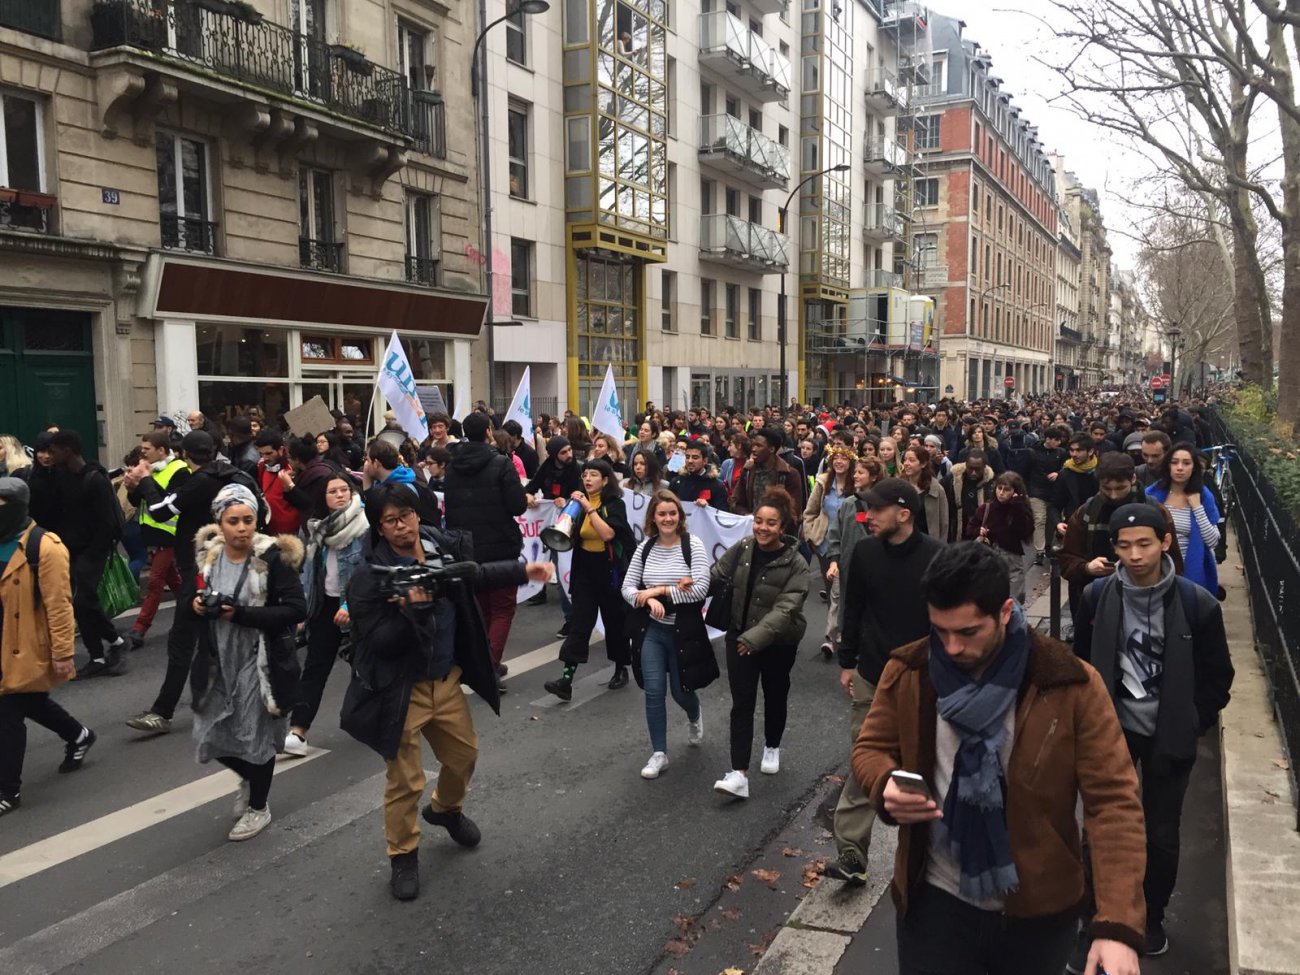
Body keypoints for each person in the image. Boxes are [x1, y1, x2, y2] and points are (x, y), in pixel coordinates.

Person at [851, 542, 1147, 975]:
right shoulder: (910, 670)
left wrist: (1116, 923)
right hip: (935, 903)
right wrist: (884, 783)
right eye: (940, 630)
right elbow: (870, 747)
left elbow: (1114, 803)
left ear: (1005, 612)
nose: (950, 647)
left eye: (969, 632)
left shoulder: (1070, 683)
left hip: (1039, 911)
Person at [342, 483, 550, 900]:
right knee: (405, 781)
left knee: (463, 756)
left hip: (446, 679)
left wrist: (523, 570)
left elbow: (474, 573)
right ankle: (403, 856)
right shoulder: (370, 575)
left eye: (407, 516)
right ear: (379, 528)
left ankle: (445, 811)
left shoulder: (441, 548)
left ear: (419, 515)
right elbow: (378, 643)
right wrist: (410, 614)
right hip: (400, 689)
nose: (402, 527)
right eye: (391, 521)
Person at [1074, 503, 1234, 957]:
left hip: (1169, 735)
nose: (1135, 555)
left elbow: (1216, 677)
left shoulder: (1195, 603)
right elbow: (1083, 665)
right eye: (1124, 546)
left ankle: (1151, 915)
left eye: (1144, 543)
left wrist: (1191, 719)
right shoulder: (1097, 597)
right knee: (1100, 828)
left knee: (1160, 833)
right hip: (1112, 732)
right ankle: (1098, 917)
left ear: (1165, 541)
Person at [827, 477, 943, 885]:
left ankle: (926, 852)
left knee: (926, 761)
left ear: (904, 513)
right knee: (865, 757)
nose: (867, 516)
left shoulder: (936, 557)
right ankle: (852, 850)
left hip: (926, 678)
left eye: (876, 509)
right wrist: (848, 661)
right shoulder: (864, 552)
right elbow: (853, 608)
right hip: (873, 673)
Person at [125, 430, 264, 736]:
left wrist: (146, 480)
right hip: (228, 565)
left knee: (184, 640)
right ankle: (236, 700)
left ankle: (164, 711)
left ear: (185, 454)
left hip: (201, 568)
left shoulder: (201, 481)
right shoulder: (231, 475)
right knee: (214, 640)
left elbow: (161, 512)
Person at [190, 484, 306, 842]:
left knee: (256, 736)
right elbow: (191, 595)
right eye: (233, 521)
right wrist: (195, 605)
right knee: (206, 732)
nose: (241, 528)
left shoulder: (272, 557)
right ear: (219, 523)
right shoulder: (209, 555)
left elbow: (295, 610)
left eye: (248, 520)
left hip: (262, 658)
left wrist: (239, 614)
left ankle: (259, 806)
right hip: (219, 656)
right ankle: (251, 778)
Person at [0, 478, 97, 816]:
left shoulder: (45, 547)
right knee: (30, 701)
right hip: (1, 641)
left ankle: (8, 790)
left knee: (7, 713)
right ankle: (79, 734)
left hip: (25, 642)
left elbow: (59, 605)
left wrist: (63, 653)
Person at [708, 486, 810, 799]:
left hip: (777, 643)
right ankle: (739, 773)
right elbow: (716, 575)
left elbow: (786, 608)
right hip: (740, 638)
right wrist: (689, 583)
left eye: (771, 523)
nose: (763, 528)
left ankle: (772, 745)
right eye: (759, 521)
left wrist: (755, 638)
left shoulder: (797, 564)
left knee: (775, 694)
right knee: (742, 704)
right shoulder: (742, 548)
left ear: (783, 527)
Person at [622, 490, 710, 779]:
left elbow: (700, 589)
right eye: (662, 514)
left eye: (672, 513)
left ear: (680, 517)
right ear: (653, 518)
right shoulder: (645, 548)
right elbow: (627, 588)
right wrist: (647, 600)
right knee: (654, 691)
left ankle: (694, 714)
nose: (668, 518)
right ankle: (659, 753)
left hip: (683, 633)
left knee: (681, 692)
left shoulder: (692, 545)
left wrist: (659, 591)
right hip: (652, 631)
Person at [282, 474, 367, 757]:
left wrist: (350, 604)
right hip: (325, 607)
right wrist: (304, 611)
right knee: (315, 668)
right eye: (333, 491)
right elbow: (309, 572)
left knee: (366, 666)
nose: (341, 495)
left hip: (358, 608)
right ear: (324, 498)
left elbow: (366, 570)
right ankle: (298, 730)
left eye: (345, 489)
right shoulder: (316, 528)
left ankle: (384, 716)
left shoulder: (365, 525)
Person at [444, 412, 528, 691]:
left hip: (467, 547)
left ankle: (486, 659)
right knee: (502, 607)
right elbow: (517, 506)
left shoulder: (453, 466)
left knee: (480, 608)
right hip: (500, 544)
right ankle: (489, 665)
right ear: (489, 432)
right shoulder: (501, 463)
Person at [543, 459, 636, 700]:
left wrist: (589, 508)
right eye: (585, 474)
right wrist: (567, 510)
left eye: (593, 475)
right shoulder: (577, 503)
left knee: (614, 622)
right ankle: (566, 680)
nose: (587, 479)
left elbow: (608, 533)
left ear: (605, 480)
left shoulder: (614, 504)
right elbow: (568, 535)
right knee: (580, 623)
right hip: (585, 570)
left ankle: (620, 668)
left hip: (609, 571)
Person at [1058, 452, 1183, 622]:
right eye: (1106, 488)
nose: (1113, 495)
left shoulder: (1156, 511)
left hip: (1149, 606)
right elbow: (1066, 560)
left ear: (1132, 479)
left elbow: (1174, 563)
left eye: (1120, 488)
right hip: (1097, 607)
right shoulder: (1086, 513)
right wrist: (1087, 568)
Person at [46, 430, 127, 677]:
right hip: (68, 549)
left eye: (54, 451)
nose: (49, 456)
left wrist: (93, 555)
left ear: (68, 450)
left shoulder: (95, 479)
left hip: (92, 551)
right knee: (81, 604)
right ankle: (100, 655)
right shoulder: (60, 476)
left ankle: (113, 642)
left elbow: (106, 522)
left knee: (83, 600)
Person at [122, 432, 187, 649]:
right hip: (151, 533)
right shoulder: (147, 469)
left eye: (147, 449)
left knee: (155, 581)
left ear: (161, 450)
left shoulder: (179, 470)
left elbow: (170, 502)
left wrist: (146, 480)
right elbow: (138, 500)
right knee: (174, 581)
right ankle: (192, 611)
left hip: (169, 534)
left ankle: (139, 629)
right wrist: (132, 486)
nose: (143, 453)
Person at [1145, 443, 1220, 595]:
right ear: (1168, 465)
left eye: (1186, 463)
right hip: (1155, 572)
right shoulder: (1152, 495)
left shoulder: (1204, 496)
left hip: (1190, 573)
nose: (1180, 468)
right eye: (1174, 462)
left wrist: (1197, 508)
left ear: (1194, 467)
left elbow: (1212, 541)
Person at [803, 445, 856, 653]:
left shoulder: (857, 484)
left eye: (844, 458)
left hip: (849, 545)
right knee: (832, 587)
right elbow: (810, 511)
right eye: (836, 458)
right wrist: (810, 534)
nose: (839, 461)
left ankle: (835, 633)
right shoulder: (824, 482)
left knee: (844, 591)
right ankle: (834, 631)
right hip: (825, 543)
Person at [964, 472, 1034, 603]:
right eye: (999, 488)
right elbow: (970, 527)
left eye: (1007, 490)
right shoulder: (987, 508)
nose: (1001, 493)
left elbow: (1024, 532)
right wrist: (978, 530)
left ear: (1015, 492)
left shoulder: (1020, 508)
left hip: (1011, 556)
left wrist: (1016, 506)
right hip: (989, 555)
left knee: (1013, 601)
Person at [732, 428, 806, 516]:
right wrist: (748, 516)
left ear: (771, 449)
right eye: (753, 445)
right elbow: (736, 502)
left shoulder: (789, 474)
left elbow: (794, 510)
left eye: (759, 446)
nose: (753, 449)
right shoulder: (748, 471)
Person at [1026, 425, 1067, 564]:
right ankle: (1040, 550)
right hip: (1037, 490)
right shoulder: (1032, 452)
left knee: (1051, 521)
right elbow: (1027, 471)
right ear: (1047, 439)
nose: (1058, 443)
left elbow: (1066, 467)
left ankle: (1047, 545)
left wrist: (1059, 473)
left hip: (1054, 491)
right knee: (1039, 519)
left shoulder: (1061, 453)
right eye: (1056, 440)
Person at [253, 431, 303, 537]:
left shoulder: (293, 469)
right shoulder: (262, 466)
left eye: (269, 453)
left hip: (292, 533)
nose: (265, 458)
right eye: (261, 454)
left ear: (280, 450)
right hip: (269, 531)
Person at [901, 444, 950, 542]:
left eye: (911, 460)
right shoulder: (900, 487)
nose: (906, 463)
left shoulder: (936, 489)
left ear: (923, 464)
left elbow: (943, 523)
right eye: (905, 459)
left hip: (928, 543)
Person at [947, 449, 995, 541]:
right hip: (956, 532)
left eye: (977, 469)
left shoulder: (991, 484)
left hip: (981, 534)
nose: (973, 473)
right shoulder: (952, 480)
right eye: (970, 468)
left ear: (984, 467)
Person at [668, 441, 729, 511]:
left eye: (695, 458)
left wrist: (708, 507)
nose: (690, 461)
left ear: (705, 461)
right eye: (687, 457)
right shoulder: (676, 482)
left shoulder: (716, 485)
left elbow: (723, 513)